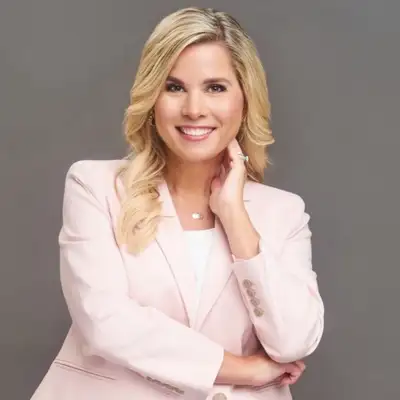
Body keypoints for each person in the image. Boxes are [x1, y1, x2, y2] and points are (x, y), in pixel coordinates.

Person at [31, 6, 324, 400]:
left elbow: (293, 341)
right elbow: (105, 321)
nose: (194, 109)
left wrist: (235, 216)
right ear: (152, 98)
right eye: (174, 87)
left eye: (215, 88)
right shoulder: (95, 186)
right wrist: (242, 370)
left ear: (245, 98)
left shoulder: (282, 213)